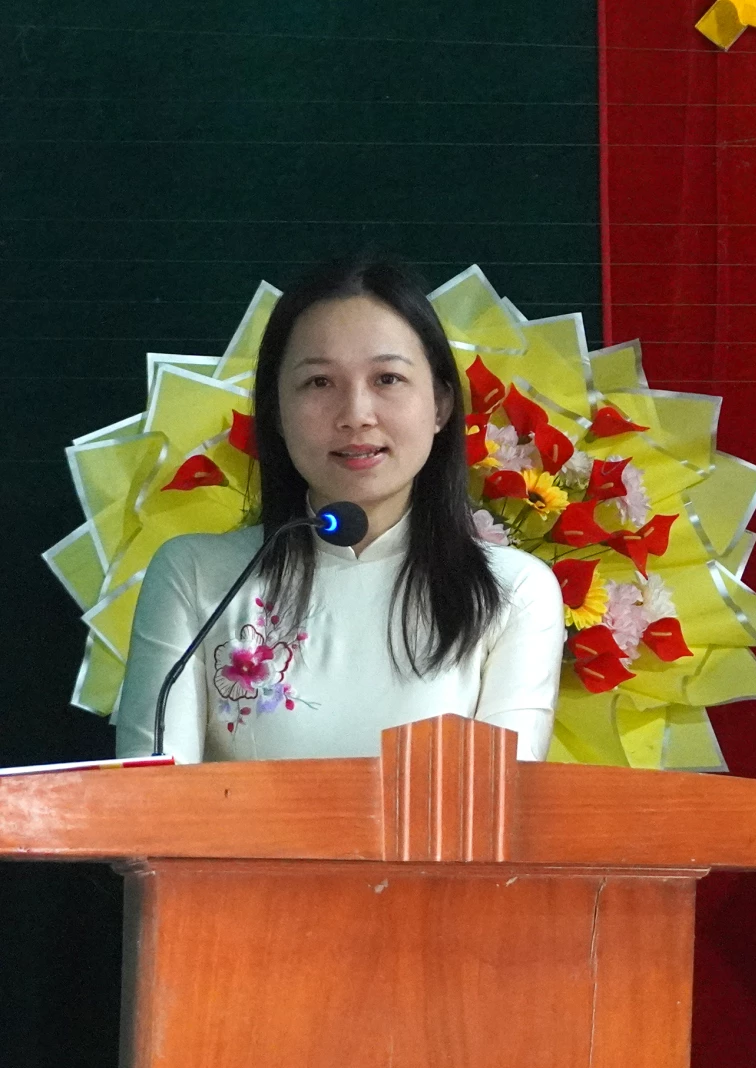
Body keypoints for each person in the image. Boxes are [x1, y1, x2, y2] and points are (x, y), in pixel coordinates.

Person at [113, 257, 565, 762]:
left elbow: (500, 799)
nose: (356, 415)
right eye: (319, 382)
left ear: (440, 404)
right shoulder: (196, 576)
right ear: (276, 411)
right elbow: (151, 798)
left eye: (388, 378)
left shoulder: (513, 593)